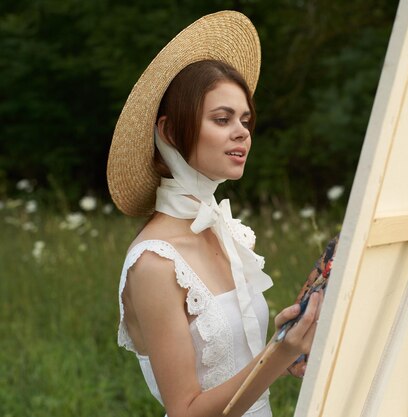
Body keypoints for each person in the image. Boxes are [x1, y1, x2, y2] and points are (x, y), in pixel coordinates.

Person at [107, 11, 323, 417]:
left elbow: (243, 367)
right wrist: (277, 355)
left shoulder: (228, 234)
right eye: (222, 120)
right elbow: (186, 410)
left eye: (245, 120)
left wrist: (289, 342)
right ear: (170, 133)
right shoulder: (154, 262)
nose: (242, 132)